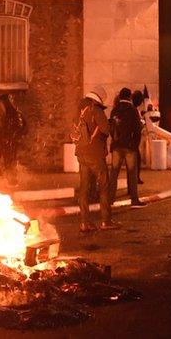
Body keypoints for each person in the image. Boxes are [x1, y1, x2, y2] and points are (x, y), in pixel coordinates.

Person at [73, 85, 117, 232]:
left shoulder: (78, 111)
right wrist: (111, 123)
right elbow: (106, 130)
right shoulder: (96, 110)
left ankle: (84, 222)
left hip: (81, 154)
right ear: (98, 99)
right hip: (95, 155)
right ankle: (106, 221)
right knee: (104, 187)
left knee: (84, 189)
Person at [109, 88, 145, 207]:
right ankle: (134, 199)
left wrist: (115, 141)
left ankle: (110, 199)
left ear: (120, 97)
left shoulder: (114, 110)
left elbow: (111, 128)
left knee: (114, 173)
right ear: (129, 97)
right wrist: (135, 144)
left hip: (117, 146)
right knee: (132, 173)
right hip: (130, 146)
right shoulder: (133, 110)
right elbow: (137, 130)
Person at [0, 94, 25, 187]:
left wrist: (5, 138)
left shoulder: (11, 115)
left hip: (10, 142)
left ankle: (13, 182)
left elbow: (8, 129)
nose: (0, 105)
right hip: (11, 141)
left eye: (1, 103)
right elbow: (22, 128)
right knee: (10, 161)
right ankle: (12, 181)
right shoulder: (16, 113)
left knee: (10, 162)